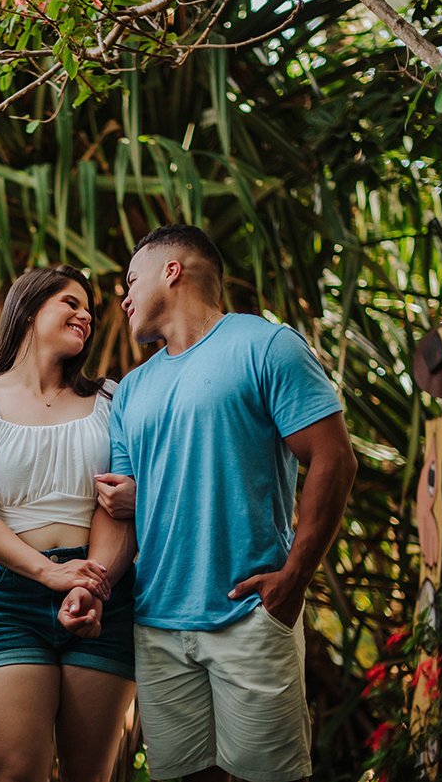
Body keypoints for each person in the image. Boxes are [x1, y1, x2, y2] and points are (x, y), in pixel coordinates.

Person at [59, 225, 358, 782]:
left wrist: (294, 578)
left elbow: (334, 459)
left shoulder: (265, 345)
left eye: (131, 280)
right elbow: (124, 515)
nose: (122, 298)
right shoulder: (131, 390)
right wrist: (93, 587)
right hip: (158, 624)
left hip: (249, 615)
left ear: (172, 270)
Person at [0, 266, 138, 782]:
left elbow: (117, 504)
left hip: (101, 592)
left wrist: (92, 583)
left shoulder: (112, 402)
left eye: (88, 308)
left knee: (87, 776)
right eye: (70, 302)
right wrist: (50, 575)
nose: (86, 314)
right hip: (15, 598)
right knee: (15, 774)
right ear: (27, 309)